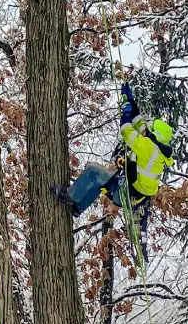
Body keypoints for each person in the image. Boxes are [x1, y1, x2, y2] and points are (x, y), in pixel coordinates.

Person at [55, 83, 174, 256]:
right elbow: (141, 126)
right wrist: (132, 103)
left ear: (154, 134)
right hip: (133, 192)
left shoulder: (149, 147)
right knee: (93, 172)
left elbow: (127, 131)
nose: (146, 129)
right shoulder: (157, 146)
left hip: (126, 193)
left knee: (94, 172)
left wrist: (126, 113)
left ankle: (69, 196)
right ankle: (77, 206)